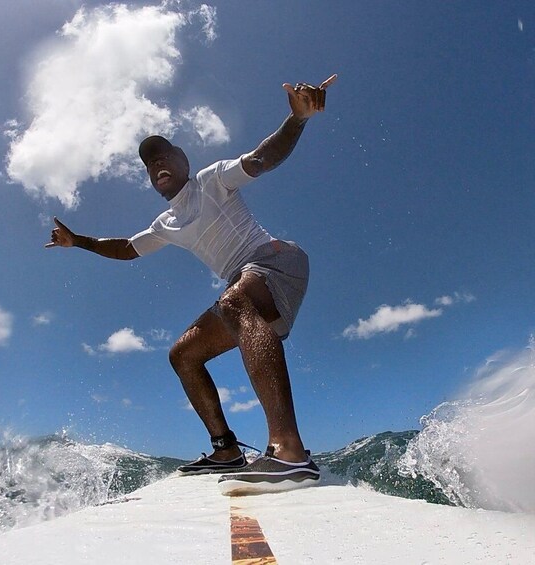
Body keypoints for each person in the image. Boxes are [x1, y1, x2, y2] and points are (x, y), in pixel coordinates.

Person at [46, 74, 337, 494]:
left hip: (276, 262)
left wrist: (297, 121)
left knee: (237, 300)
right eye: (150, 164)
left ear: (182, 159)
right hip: (243, 285)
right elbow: (127, 248)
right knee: (183, 354)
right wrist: (78, 242)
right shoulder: (165, 224)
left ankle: (290, 453)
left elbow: (260, 159)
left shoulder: (212, 179)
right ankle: (226, 449)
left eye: (164, 155)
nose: (157, 164)